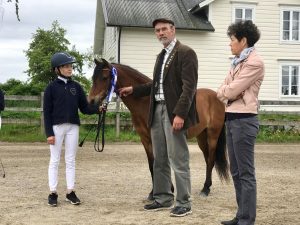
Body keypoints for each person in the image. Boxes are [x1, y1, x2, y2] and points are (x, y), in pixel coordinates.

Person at [118, 18, 198, 217]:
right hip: (157, 110)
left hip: (173, 112)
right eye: (157, 31)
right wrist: (133, 89)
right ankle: (163, 197)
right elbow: (156, 85)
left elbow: (189, 88)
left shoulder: (186, 53)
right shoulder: (161, 55)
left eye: (164, 29)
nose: (160, 33)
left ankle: (184, 202)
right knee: (159, 158)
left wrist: (180, 113)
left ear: (173, 30)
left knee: (178, 157)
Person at [217, 20, 264, 225]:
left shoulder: (255, 62)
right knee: (235, 171)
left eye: (232, 40)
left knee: (245, 173)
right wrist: (229, 92)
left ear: (243, 41)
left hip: (244, 120)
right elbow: (224, 89)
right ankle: (241, 215)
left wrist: (229, 92)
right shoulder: (237, 61)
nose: (230, 44)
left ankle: (247, 220)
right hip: (232, 118)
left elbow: (230, 90)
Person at [43, 52, 100, 207]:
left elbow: (85, 108)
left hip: (73, 127)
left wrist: (98, 109)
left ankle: (70, 191)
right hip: (56, 127)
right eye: (66, 66)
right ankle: (53, 192)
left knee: (70, 160)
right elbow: (46, 112)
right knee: (54, 160)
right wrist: (49, 133)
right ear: (57, 69)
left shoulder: (76, 87)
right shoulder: (51, 88)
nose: (69, 69)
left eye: (70, 66)